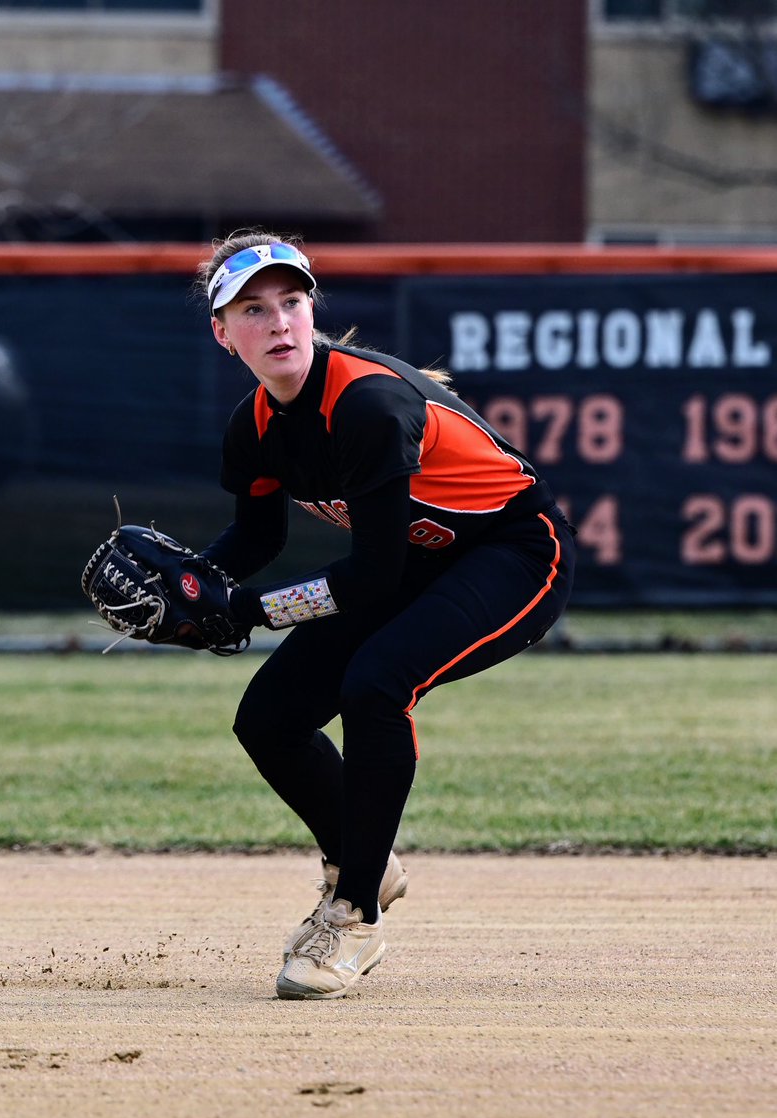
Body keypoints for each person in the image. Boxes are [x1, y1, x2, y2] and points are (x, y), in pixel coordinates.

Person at [196, 230, 576, 1001]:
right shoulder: (255, 425)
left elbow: (370, 578)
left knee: (376, 684)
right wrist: (196, 589)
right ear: (223, 333)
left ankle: (355, 913)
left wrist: (248, 611)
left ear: (312, 311)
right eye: (253, 309)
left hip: (515, 554)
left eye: (292, 301)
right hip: (415, 562)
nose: (278, 321)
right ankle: (362, 858)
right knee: (268, 718)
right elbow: (257, 537)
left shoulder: (367, 405)